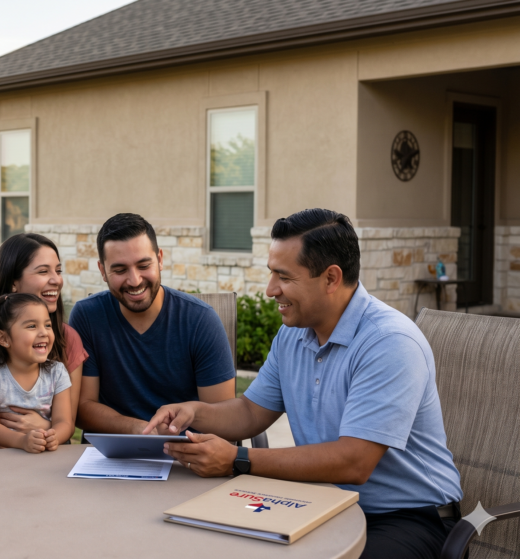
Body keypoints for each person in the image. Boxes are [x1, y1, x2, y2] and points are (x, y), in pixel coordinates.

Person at [143, 208, 463, 559]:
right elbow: (251, 411)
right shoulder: (292, 336)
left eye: (284, 277)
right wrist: (193, 412)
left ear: (330, 278)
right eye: (271, 274)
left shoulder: (389, 342)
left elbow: (353, 462)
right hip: (319, 501)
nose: (270, 290)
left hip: (406, 518)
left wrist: (238, 458)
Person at [70, 213, 236, 436]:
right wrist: (141, 430)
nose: (135, 280)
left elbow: (223, 418)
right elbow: (81, 409)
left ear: (160, 259)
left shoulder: (201, 320)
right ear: (102, 271)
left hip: (184, 456)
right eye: (120, 270)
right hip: (110, 456)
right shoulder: (87, 316)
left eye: (143, 265)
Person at [0, 233, 87, 452]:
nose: (56, 280)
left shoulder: (68, 339)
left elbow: (68, 421)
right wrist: (7, 452)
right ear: (13, 282)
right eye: (43, 271)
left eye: (58, 271)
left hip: (42, 455)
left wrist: (45, 430)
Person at [0, 293, 73, 453]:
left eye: (47, 325)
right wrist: (22, 441)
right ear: (4, 338)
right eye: (32, 326)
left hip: (41, 454)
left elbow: (65, 422)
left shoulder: (57, 372)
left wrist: (55, 437)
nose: (44, 332)